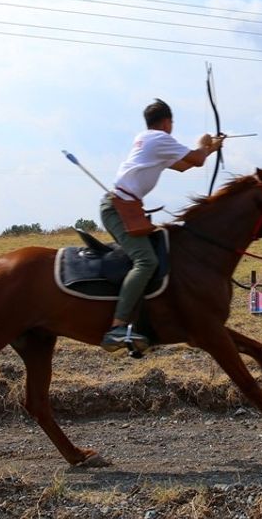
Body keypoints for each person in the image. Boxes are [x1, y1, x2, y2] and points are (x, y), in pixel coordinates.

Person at [99, 98, 223, 352]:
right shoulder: (159, 139)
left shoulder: (148, 139)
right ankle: (117, 326)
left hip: (124, 207)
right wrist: (204, 142)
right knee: (146, 261)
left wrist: (210, 149)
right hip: (119, 208)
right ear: (167, 122)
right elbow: (196, 160)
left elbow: (181, 166)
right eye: (173, 122)